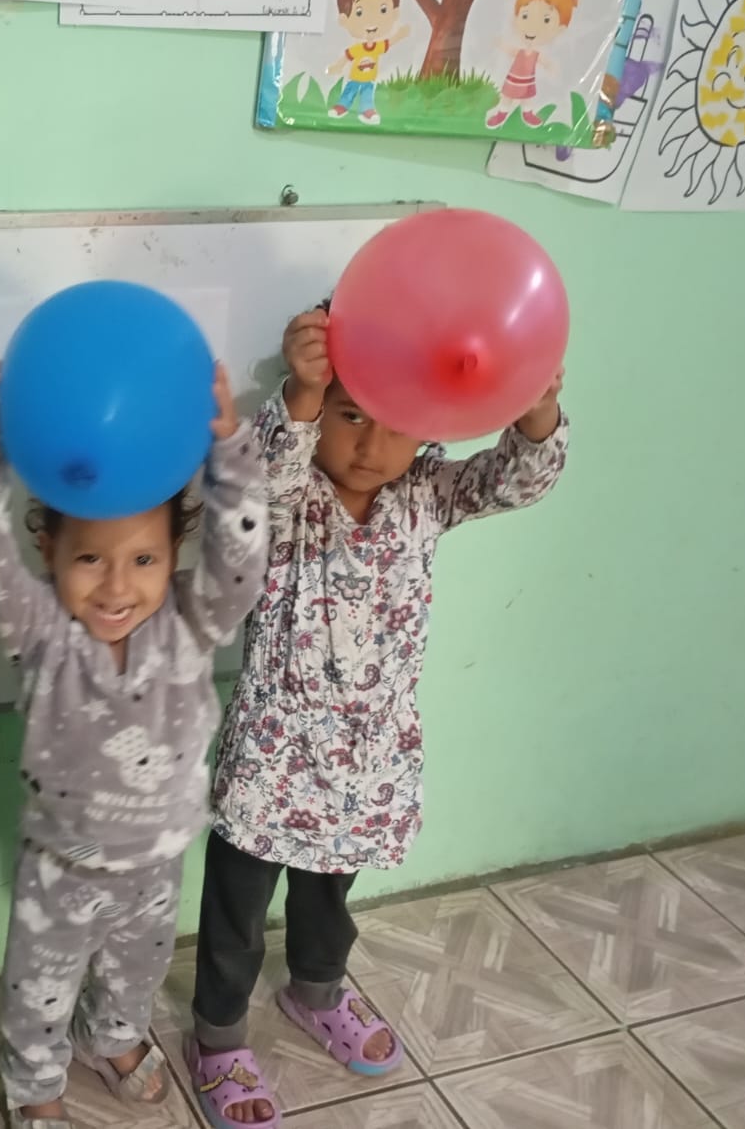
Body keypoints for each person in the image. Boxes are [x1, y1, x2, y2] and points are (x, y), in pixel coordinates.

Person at [187, 306, 568, 1129]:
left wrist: (537, 410)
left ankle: (317, 991)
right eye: (350, 416)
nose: (369, 444)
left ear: (427, 430)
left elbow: (518, 479)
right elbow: (256, 483)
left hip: (370, 761)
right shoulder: (289, 499)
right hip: (275, 755)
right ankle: (217, 1038)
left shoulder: (428, 492)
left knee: (330, 896)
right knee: (236, 910)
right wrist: (302, 391)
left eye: (395, 423)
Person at [0, 363, 268, 1129]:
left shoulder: (192, 622)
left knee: (137, 972)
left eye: (144, 560)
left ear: (175, 554)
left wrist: (230, 453)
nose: (117, 587)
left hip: (158, 863)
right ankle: (35, 1081)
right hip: (62, 867)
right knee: (40, 990)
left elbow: (241, 569)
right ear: (50, 552)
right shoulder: (42, 631)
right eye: (90, 558)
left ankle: (114, 1039)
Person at [488, 0, 581, 130]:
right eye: (525, 16)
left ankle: (528, 114)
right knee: (507, 97)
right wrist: (500, 44)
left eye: (546, 20)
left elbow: (545, 61)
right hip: (514, 79)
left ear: (560, 28)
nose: (532, 27)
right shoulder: (521, 50)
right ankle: (501, 113)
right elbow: (511, 50)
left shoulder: (536, 54)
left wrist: (552, 67)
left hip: (526, 81)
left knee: (527, 98)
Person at [327, 0, 413, 126]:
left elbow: (389, 43)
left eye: (383, 9)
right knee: (350, 91)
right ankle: (342, 106)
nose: (372, 20)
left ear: (394, 13)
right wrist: (337, 66)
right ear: (344, 19)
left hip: (369, 79)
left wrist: (400, 35)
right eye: (359, 12)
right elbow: (347, 56)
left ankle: (366, 111)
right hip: (355, 78)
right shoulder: (358, 48)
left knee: (367, 95)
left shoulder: (377, 46)